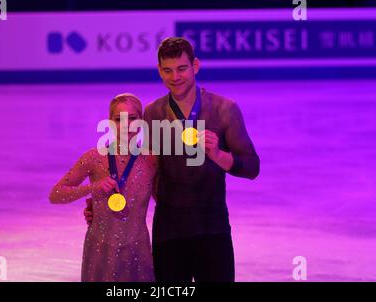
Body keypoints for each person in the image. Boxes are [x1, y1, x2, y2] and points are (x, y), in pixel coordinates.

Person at [86, 37, 260, 282]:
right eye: (167, 70)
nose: (175, 77)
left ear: (195, 66)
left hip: (212, 227)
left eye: (181, 68)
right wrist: (102, 205)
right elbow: (141, 169)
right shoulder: (153, 112)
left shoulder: (224, 109)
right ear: (159, 70)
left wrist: (220, 156)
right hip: (168, 230)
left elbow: (252, 167)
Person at [49, 93, 157, 282]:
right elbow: (56, 194)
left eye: (133, 118)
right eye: (119, 119)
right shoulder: (94, 157)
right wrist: (91, 189)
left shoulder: (152, 159)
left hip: (137, 249)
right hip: (100, 248)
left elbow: (164, 200)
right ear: (110, 122)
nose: (126, 125)